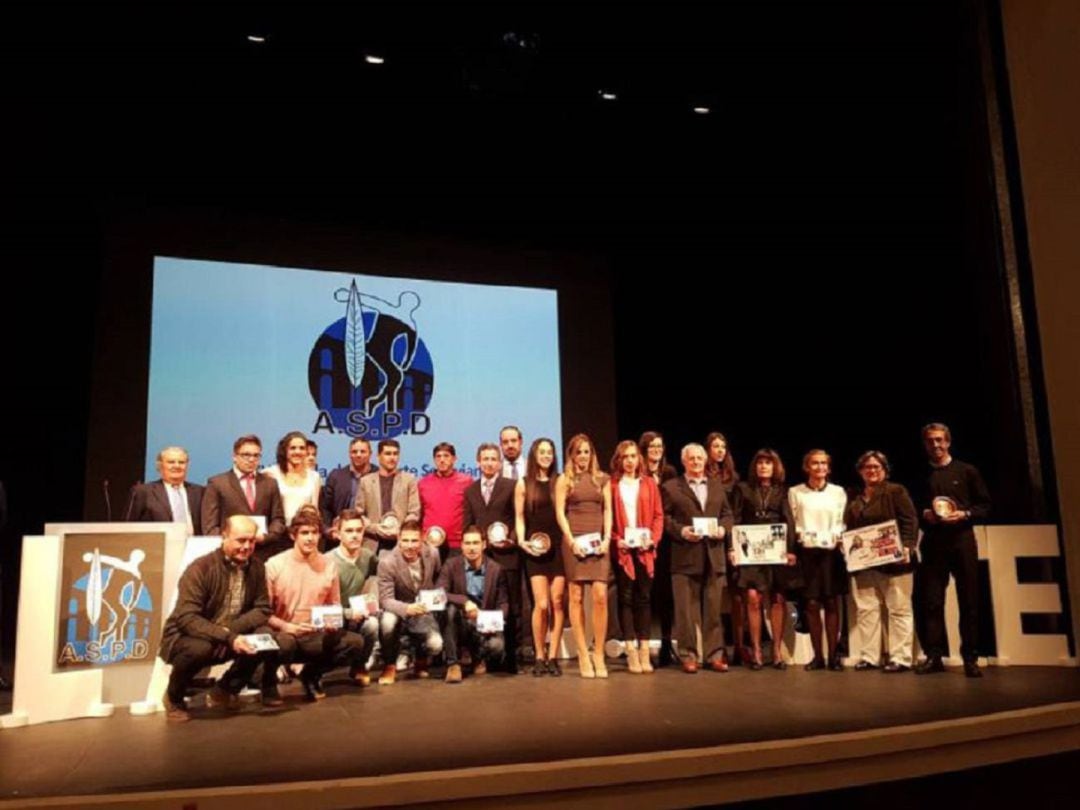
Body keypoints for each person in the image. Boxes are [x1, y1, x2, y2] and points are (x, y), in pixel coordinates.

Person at [158, 515, 286, 722]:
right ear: (224, 536)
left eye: (251, 541)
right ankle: (174, 697)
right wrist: (224, 635)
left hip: (231, 634)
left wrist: (230, 633)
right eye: (241, 540)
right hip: (191, 636)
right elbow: (187, 617)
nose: (247, 546)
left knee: (265, 638)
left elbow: (262, 609)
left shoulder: (256, 568)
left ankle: (226, 689)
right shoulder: (201, 568)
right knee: (199, 649)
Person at [914, 423, 992, 678]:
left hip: (962, 541)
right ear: (925, 444)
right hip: (933, 543)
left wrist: (965, 514)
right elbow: (913, 510)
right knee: (933, 602)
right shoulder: (920, 474)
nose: (935, 445)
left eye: (939, 440)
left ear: (948, 442)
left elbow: (985, 506)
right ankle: (934, 656)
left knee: (969, 600)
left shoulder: (967, 471)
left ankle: (970, 658)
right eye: (930, 441)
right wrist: (924, 514)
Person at [265, 511, 367, 700]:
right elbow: (263, 613)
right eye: (304, 533)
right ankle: (268, 683)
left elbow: (334, 605)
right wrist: (288, 627)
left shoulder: (328, 565)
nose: (310, 538)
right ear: (293, 535)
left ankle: (311, 674)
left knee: (355, 643)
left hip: (314, 633)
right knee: (284, 644)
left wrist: (332, 622)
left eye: (314, 532)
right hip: (284, 633)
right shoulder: (274, 565)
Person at [662, 443, 734, 673]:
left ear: (705, 461)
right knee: (685, 611)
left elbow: (727, 514)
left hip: (713, 556)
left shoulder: (716, 486)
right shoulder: (671, 487)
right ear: (684, 462)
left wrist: (723, 530)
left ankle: (715, 655)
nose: (695, 462)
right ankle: (688, 655)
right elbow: (663, 518)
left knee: (713, 610)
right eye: (691, 459)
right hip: (684, 556)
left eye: (699, 459)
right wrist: (681, 531)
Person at [844, 450, 918, 673]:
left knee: (898, 609)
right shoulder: (854, 496)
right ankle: (869, 656)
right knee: (867, 610)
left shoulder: (896, 491)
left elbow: (909, 520)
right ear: (860, 471)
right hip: (864, 563)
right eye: (867, 467)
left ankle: (900, 658)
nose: (872, 471)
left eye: (876, 467)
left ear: (885, 470)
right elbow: (849, 527)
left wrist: (908, 546)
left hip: (894, 562)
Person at [730, 449, 800, 669]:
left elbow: (788, 521)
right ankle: (757, 651)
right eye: (760, 462)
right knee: (752, 599)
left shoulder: (782, 491)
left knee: (777, 600)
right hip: (751, 552)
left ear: (775, 467)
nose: (763, 466)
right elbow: (735, 518)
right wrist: (733, 548)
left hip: (775, 552)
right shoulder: (743, 489)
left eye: (768, 463)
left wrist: (790, 550)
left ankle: (777, 651)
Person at [555, 433, 613, 678]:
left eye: (586, 451)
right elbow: (560, 513)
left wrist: (607, 538)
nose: (583, 456)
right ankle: (582, 653)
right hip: (575, 542)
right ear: (571, 455)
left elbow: (608, 509)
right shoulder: (565, 480)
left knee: (600, 595)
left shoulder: (602, 479)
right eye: (578, 452)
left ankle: (598, 652)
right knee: (576, 596)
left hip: (598, 543)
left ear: (592, 454)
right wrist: (570, 542)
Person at [464, 442, 524, 673]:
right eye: (485, 458)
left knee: (512, 607)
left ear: (499, 463)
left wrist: (511, 538)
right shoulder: (470, 490)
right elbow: (468, 524)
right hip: (482, 559)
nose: (489, 462)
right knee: (482, 604)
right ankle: (483, 655)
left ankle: (512, 658)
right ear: (478, 462)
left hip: (507, 556)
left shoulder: (511, 486)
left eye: (493, 459)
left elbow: (519, 518)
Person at [788, 450, 847, 671]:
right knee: (811, 604)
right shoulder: (796, 492)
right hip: (808, 553)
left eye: (824, 463)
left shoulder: (838, 492)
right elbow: (794, 521)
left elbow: (841, 519)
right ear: (807, 467)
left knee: (831, 602)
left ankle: (833, 656)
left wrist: (836, 534)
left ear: (828, 468)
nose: (820, 467)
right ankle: (818, 657)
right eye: (815, 463)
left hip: (831, 552)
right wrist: (801, 536)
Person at [610, 440, 664, 674]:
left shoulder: (649, 484)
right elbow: (608, 519)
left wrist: (653, 538)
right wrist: (615, 539)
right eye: (625, 457)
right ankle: (630, 650)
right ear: (619, 460)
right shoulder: (612, 486)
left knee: (644, 598)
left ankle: (644, 650)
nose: (630, 461)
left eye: (633, 456)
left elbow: (658, 516)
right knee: (626, 598)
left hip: (645, 550)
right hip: (623, 550)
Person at [514, 438, 566, 676]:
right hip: (535, 550)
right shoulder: (524, 484)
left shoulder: (560, 480)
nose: (546, 456)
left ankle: (553, 656)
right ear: (534, 455)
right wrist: (523, 542)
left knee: (556, 603)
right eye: (542, 452)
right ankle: (539, 655)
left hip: (558, 548)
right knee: (541, 604)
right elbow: (520, 517)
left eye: (549, 452)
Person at [437, 525, 510, 682]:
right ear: (461, 545)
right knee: (449, 609)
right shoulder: (451, 565)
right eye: (468, 543)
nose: (471, 548)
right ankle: (453, 664)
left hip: (482, 624)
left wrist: (483, 617)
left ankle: (477, 657)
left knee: (497, 647)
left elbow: (504, 604)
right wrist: (464, 602)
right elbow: (439, 593)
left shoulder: (496, 569)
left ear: (484, 545)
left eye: (475, 543)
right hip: (459, 622)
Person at [375, 518, 443, 684]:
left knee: (436, 645)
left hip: (423, 611)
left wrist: (433, 601)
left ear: (422, 540)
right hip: (399, 610)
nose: (410, 545)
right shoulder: (387, 562)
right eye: (405, 540)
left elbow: (438, 579)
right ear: (399, 539)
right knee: (387, 621)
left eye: (414, 540)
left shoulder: (433, 553)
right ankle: (389, 665)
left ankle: (420, 659)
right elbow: (385, 600)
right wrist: (407, 608)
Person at [202, 435, 287, 560]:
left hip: (263, 554)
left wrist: (265, 537)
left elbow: (278, 520)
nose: (251, 459)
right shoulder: (217, 483)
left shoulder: (270, 483)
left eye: (256, 455)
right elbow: (210, 527)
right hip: (229, 555)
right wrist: (233, 541)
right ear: (235, 457)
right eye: (246, 455)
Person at [324, 509, 379, 685]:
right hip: (331, 616)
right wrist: (347, 613)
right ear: (337, 534)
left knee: (372, 624)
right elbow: (320, 605)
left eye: (358, 530)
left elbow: (383, 578)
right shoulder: (327, 561)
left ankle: (359, 666)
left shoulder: (368, 557)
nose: (355, 535)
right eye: (349, 531)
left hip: (357, 614)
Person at [639, 431, 678, 666]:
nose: (656, 450)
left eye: (659, 446)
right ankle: (640, 644)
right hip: (642, 540)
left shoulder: (670, 473)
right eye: (651, 446)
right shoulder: (637, 473)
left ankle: (666, 642)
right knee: (644, 593)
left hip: (666, 542)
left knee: (666, 593)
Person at [704, 432, 744, 663]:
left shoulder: (733, 478)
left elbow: (734, 514)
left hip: (729, 539)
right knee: (715, 597)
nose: (719, 450)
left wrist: (732, 544)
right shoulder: (702, 476)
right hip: (709, 543)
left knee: (736, 595)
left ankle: (738, 645)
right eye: (715, 446)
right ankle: (716, 647)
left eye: (723, 447)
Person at [353, 439, 420, 558]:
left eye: (395, 454)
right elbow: (359, 514)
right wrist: (375, 528)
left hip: (400, 542)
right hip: (372, 543)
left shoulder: (409, 480)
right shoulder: (366, 481)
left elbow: (414, 512)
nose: (392, 457)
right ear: (378, 456)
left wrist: (400, 529)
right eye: (388, 454)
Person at [125, 446, 205, 535]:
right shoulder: (142, 492)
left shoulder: (199, 492)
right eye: (171, 462)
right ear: (160, 465)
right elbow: (128, 526)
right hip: (156, 546)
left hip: (194, 545)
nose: (177, 466)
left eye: (181, 462)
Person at [418, 442, 472, 558]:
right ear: (434, 460)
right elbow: (419, 513)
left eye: (446, 456)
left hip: (457, 545)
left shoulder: (466, 482)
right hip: (430, 543)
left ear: (454, 459)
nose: (442, 460)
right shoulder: (423, 483)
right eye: (438, 456)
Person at [265, 431, 322, 527]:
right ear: (285, 451)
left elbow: (314, 509)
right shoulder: (270, 474)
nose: (298, 452)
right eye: (293, 448)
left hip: (302, 532)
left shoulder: (314, 477)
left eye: (302, 448)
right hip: (277, 532)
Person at [321, 437, 376, 534]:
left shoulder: (379, 476)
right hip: (340, 535)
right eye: (354, 452)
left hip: (371, 536)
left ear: (370, 454)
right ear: (349, 454)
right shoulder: (336, 476)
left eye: (362, 451)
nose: (358, 455)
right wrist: (329, 530)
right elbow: (326, 508)